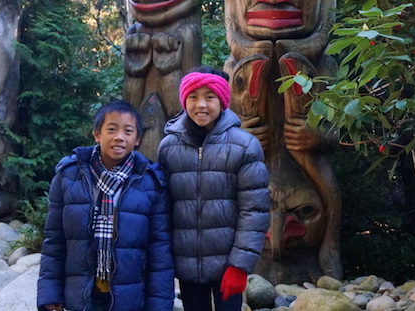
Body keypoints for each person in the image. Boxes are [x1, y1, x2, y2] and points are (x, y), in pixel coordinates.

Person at [37, 100, 174, 311]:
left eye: (128, 131)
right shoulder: (69, 176)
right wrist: (50, 292)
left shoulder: (150, 183)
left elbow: (160, 251)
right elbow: (54, 242)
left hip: (129, 298)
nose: (119, 137)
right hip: (81, 296)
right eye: (111, 129)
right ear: (97, 134)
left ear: (137, 139)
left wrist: (159, 305)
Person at [158, 66, 270, 310]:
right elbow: (163, 207)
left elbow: (255, 210)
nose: (201, 105)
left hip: (228, 265)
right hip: (187, 264)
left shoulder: (244, 146)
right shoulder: (168, 147)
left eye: (210, 97)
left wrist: (240, 266)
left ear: (222, 101)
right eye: (193, 97)